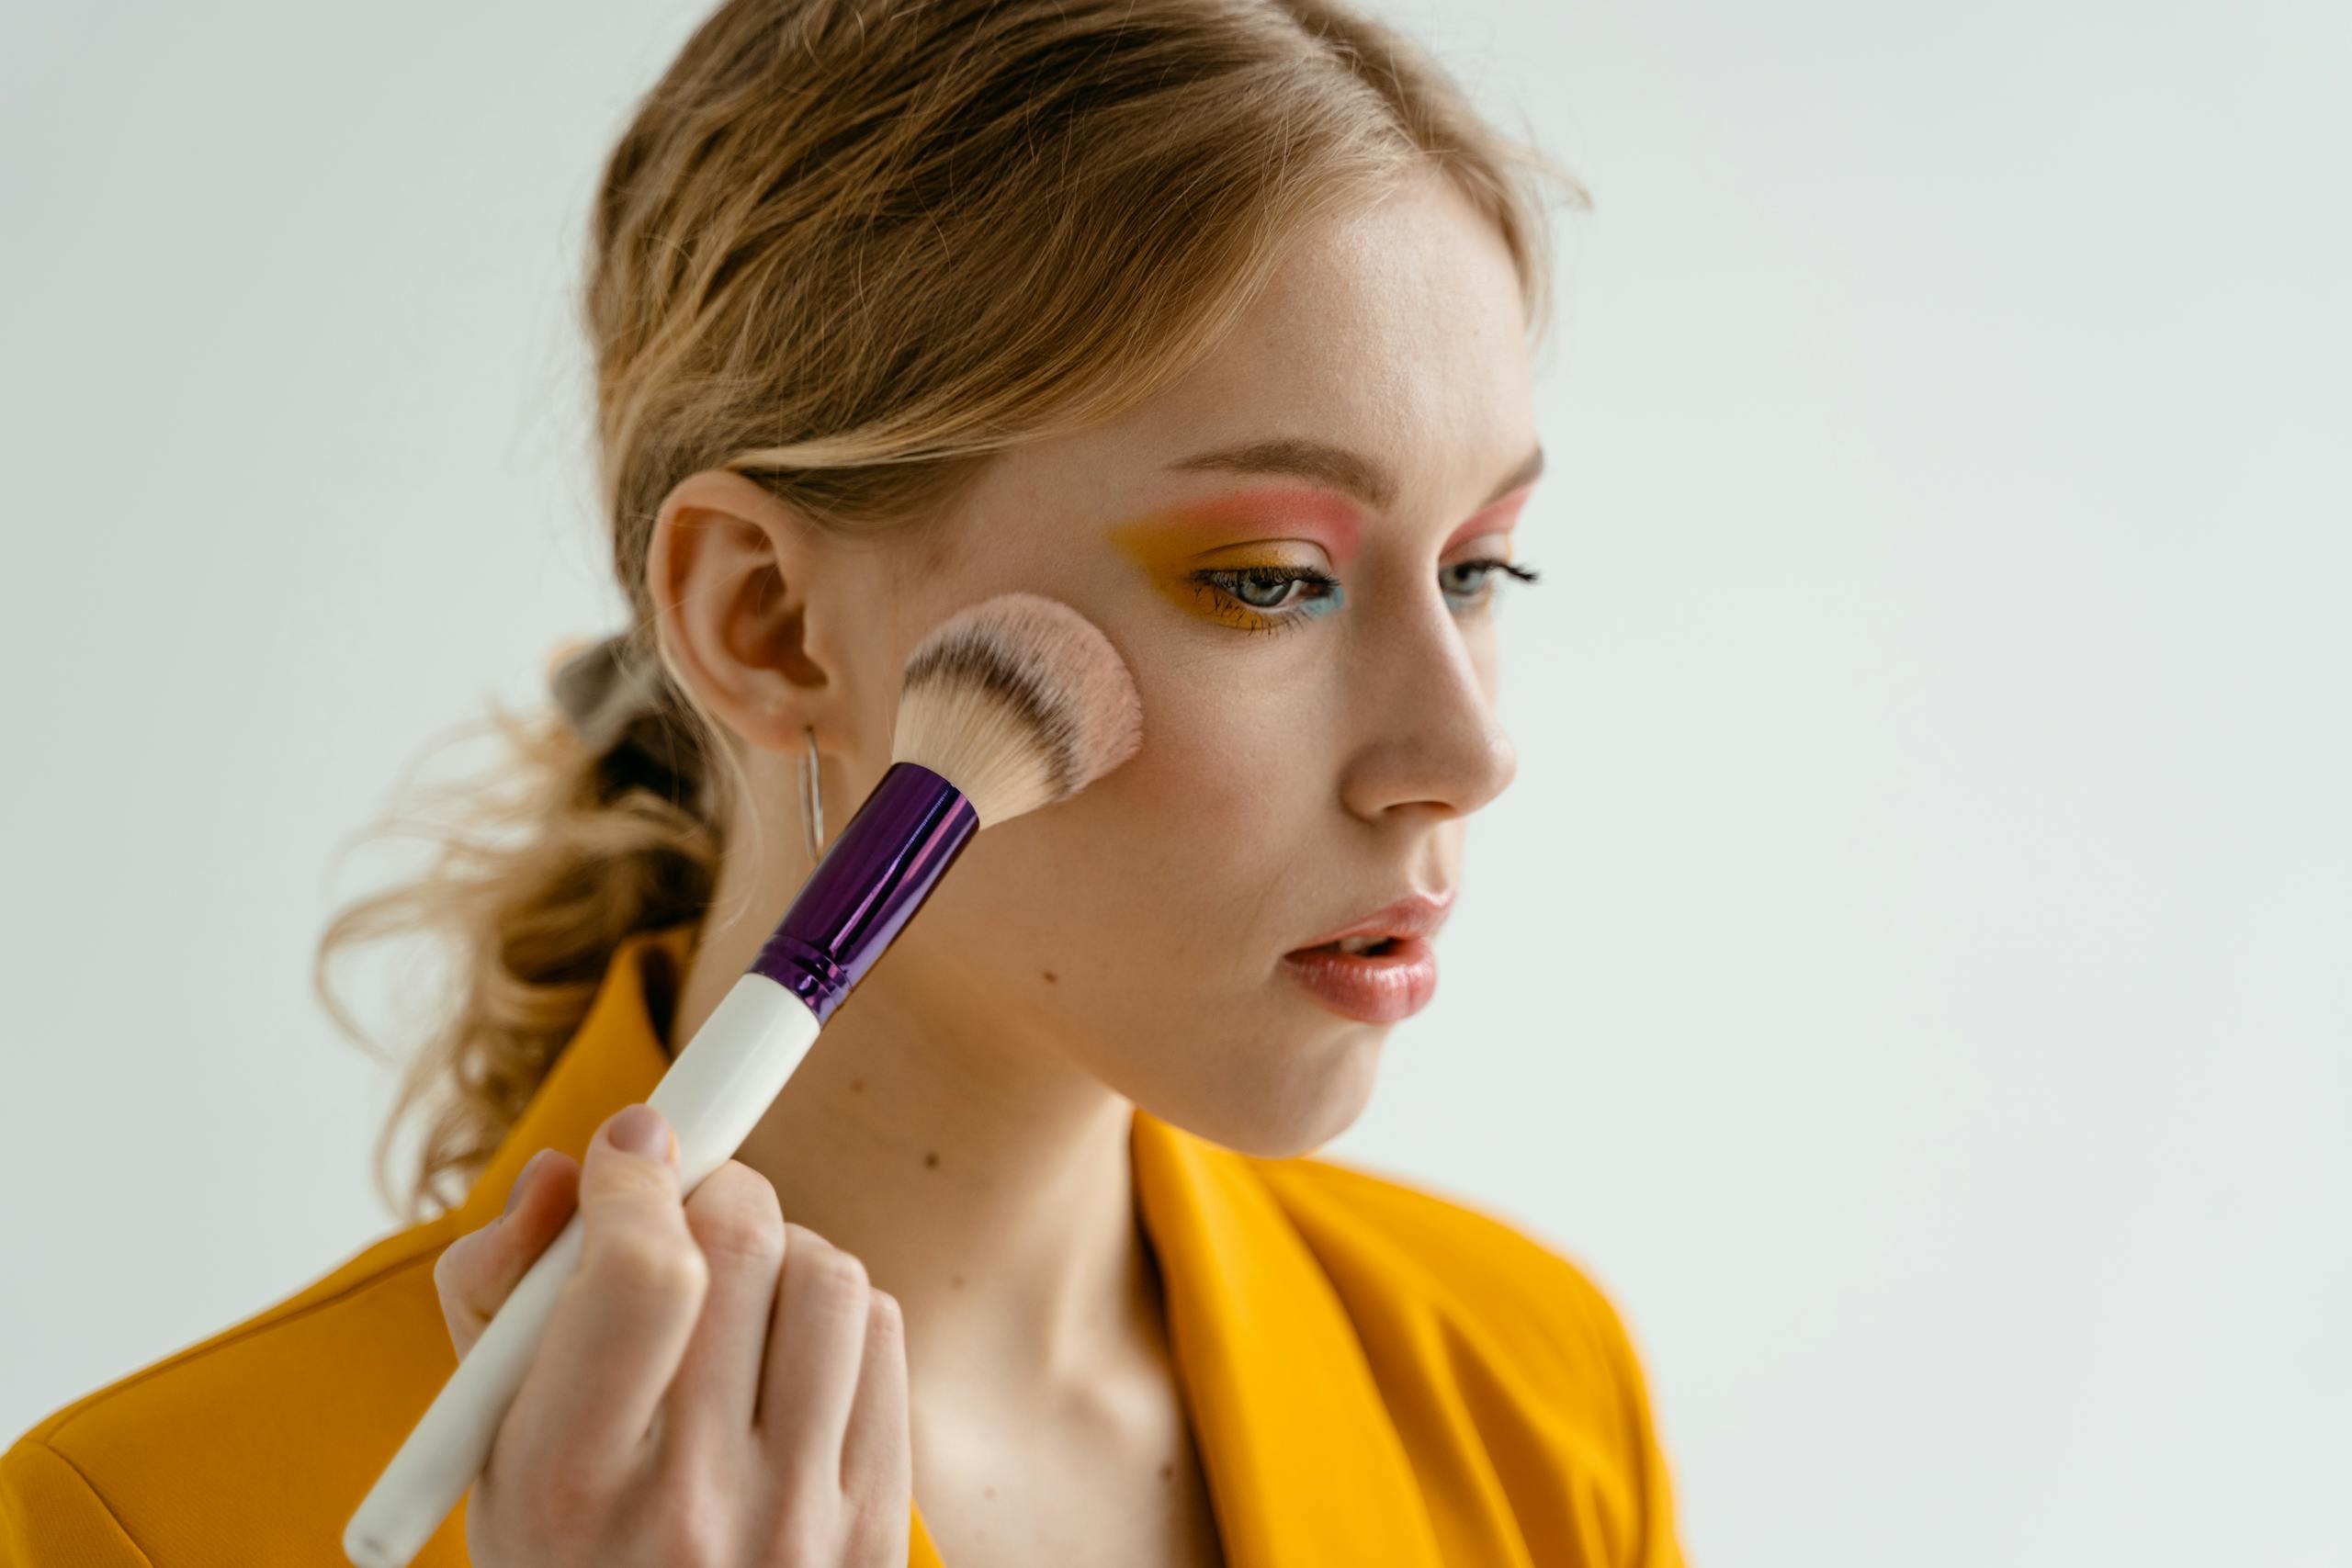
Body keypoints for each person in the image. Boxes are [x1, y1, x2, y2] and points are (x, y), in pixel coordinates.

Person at [0, 2, 1685, 1562]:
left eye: (1482, 570)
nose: (1467, 753)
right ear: (770, 622)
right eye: (1265, 578)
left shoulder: (1530, 1398)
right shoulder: (138, 1524)